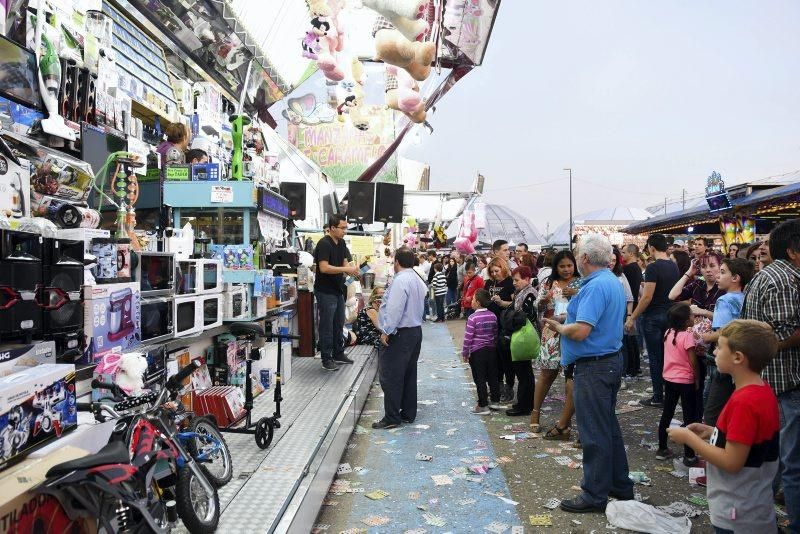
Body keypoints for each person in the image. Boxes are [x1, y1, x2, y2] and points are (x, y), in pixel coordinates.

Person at [543, 234, 633, 514]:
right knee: (607, 427)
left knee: (594, 431)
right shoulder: (609, 281)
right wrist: (564, 320)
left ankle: (595, 494)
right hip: (606, 361)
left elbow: (582, 331)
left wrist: (559, 328)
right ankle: (619, 484)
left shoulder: (596, 286)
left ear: (584, 258)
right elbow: (586, 321)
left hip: (595, 365)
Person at [668, 320, 780, 534]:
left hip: (737, 513)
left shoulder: (744, 402)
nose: (715, 351)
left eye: (719, 346)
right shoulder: (760, 390)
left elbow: (731, 462)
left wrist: (688, 439)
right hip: (752, 506)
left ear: (738, 358)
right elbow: (749, 441)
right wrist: (712, 433)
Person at [740, 219, 800, 531]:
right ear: (793, 252)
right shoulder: (784, 283)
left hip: (770, 383)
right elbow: (777, 336)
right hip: (784, 382)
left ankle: (761, 517)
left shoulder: (772, 277)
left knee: (773, 461)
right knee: (793, 465)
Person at [373, 247, 427, 429]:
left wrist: (386, 330)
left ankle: (392, 417)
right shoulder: (417, 279)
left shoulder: (401, 280)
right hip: (415, 331)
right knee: (409, 374)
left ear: (396, 262)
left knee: (392, 375)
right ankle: (408, 413)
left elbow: (395, 309)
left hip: (400, 333)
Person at [626, 234, 681, 408]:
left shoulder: (653, 268)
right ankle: (668, 392)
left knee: (656, 357)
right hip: (670, 315)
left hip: (654, 318)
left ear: (651, 247)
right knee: (667, 356)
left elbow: (647, 297)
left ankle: (658, 396)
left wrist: (632, 317)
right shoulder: (673, 266)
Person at [530, 250, 581, 438]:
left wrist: (576, 293)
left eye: (569, 265)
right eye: (562, 266)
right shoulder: (549, 282)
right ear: (555, 267)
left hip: (574, 331)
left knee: (572, 378)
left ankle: (564, 422)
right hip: (552, 331)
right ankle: (535, 413)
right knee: (547, 374)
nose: (566, 269)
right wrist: (543, 301)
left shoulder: (582, 282)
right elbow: (538, 306)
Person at [700, 258, 754, 427]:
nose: (717, 275)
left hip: (723, 361)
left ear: (735, 278)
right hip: (740, 361)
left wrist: (706, 337)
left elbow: (723, 332)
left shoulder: (724, 300)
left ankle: (713, 449)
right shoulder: (745, 297)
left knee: (711, 412)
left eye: (722, 272)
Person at [314, 215, 360, 371]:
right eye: (343, 228)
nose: (345, 231)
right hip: (325, 291)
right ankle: (326, 358)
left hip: (337, 290)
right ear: (332, 228)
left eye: (346, 228)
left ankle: (338, 353)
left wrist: (353, 272)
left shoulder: (341, 243)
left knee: (339, 323)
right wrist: (347, 269)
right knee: (327, 326)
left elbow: (345, 265)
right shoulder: (324, 244)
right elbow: (324, 268)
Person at [656, 302, 700, 464]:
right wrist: (697, 378)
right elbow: (693, 361)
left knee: (667, 412)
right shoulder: (687, 336)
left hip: (669, 379)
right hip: (686, 381)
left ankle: (662, 448)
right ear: (685, 321)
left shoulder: (668, 333)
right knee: (689, 416)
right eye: (691, 315)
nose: (693, 317)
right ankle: (689, 455)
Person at [462, 289, 503, 415]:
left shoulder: (472, 318)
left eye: (473, 299)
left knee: (479, 378)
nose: (472, 301)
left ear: (478, 302)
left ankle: (483, 405)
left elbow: (468, 337)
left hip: (477, 352)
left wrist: (465, 352)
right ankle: (495, 401)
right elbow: (495, 332)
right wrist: (493, 344)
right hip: (491, 350)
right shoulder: (492, 316)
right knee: (493, 376)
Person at [504, 266, 538, 417]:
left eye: (517, 280)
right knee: (523, 372)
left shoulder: (530, 293)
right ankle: (524, 403)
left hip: (524, 336)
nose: (514, 283)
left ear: (527, 279)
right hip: (521, 335)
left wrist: (509, 318)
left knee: (524, 372)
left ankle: (525, 405)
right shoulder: (522, 292)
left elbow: (523, 316)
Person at [485, 257, 516, 403]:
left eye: (496, 271)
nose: (495, 274)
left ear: (502, 268)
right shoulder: (490, 283)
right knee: (494, 359)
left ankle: (509, 387)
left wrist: (501, 302)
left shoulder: (510, 283)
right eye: (492, 272)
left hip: (505, 326)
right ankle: (497, 387)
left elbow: (515, 303)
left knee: (506, 359)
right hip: (491, 325)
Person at [610, 249, 633, 388]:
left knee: (621, 344)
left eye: (614, 260)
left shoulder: (620, 276)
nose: (611, 263)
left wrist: (629, 316)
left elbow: (629, 298)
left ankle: (621, 376)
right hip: (605, 318)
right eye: (610, 260)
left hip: (620, 315)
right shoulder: (596, 275)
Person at [622, 244, 643, 376]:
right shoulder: (636, 268)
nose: (622, 255)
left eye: (624, 252)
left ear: (630, 253)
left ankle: (631, 367)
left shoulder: (629, 269)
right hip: (634, 307)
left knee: (629, 339)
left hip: (630, 308)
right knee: (632, 338)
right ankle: (635, 367)